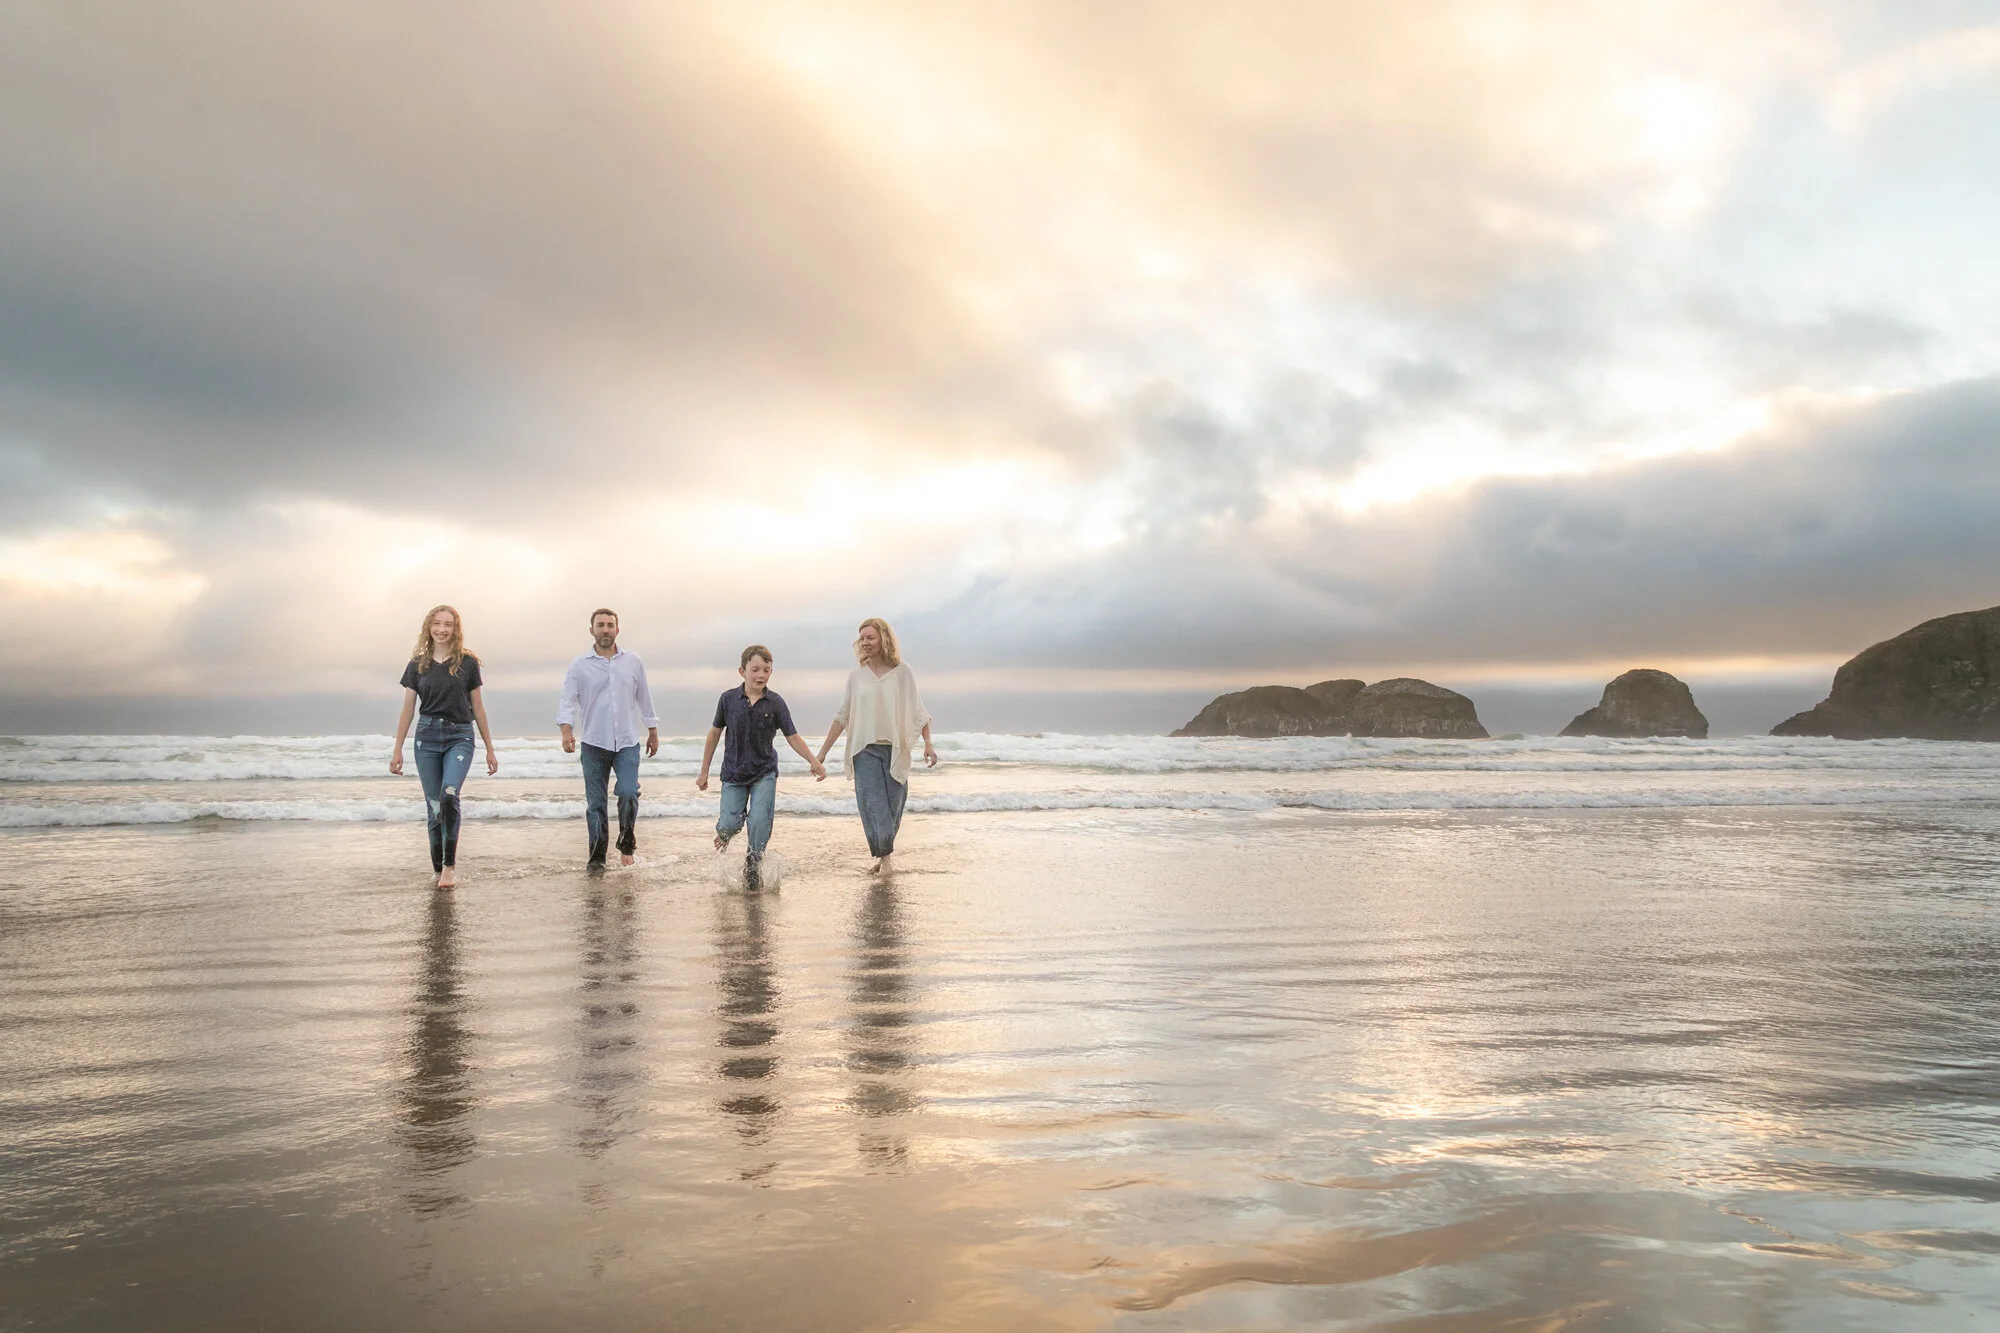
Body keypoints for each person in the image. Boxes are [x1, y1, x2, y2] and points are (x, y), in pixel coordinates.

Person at [697, 645, 826, 889]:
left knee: (759, 821)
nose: (761, 675)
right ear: (742, 671)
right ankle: (725, 832)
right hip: (733, 774)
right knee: (728, 824)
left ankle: (753, 865)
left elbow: (792, 736)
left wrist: (813, 761)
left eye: (766, 670)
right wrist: (704, 771)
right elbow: (714, 734)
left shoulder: (775, 702)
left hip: (764, 772)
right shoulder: (728, 699)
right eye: (755, 669)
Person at [389, 604, 498, 889]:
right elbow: (407, 710)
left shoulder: (467, 663)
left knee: (449, 794)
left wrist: (489, 748)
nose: (442, 629)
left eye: (448, 624)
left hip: (459, 736)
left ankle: (449, 867)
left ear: (455, 629)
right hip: (426, 738)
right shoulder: (417, 665)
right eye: (437, 623)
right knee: (434, 806)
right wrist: (397, 749)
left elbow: (478, 708)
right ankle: (437, 869)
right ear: (429, 627)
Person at [815, 618, 936, 873]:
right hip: (865, 751)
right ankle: (888, 863)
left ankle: (883, 858)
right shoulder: (856, 677)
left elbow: (918, 711)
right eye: (862, 638)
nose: (865, 642)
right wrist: (822, 753)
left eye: (870, 637)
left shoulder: (903, 672)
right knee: (874, 806)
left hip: (894, 750)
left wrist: (928, 743)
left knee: (893, 808)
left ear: (884, 638)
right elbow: (843, 715)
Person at [557, 608, 660, 870]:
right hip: (594, 743)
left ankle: (626, 842)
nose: (605, 629)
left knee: (627, 793)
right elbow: (568, 700)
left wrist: (652, 730)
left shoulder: (633, 661)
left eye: (610, 625)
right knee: (596, 805)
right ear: (591, 630)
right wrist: (566, 730)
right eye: (600, 625)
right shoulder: (580, 665)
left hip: (627, 742)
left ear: (617, 629)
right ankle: (597, 859)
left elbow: (644, 698)